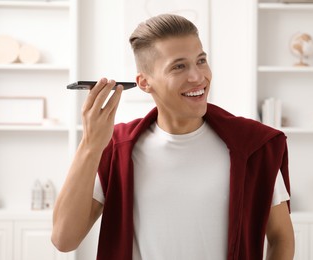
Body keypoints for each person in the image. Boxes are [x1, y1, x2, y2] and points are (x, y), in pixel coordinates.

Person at [51, 13, 295, 260]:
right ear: (144, 83)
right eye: (179, 66)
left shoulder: (253, 147)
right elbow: (64, 238)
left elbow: (280, 238)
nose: (198, 77)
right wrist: (90, 145)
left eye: (201, 61)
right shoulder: (117, 149)